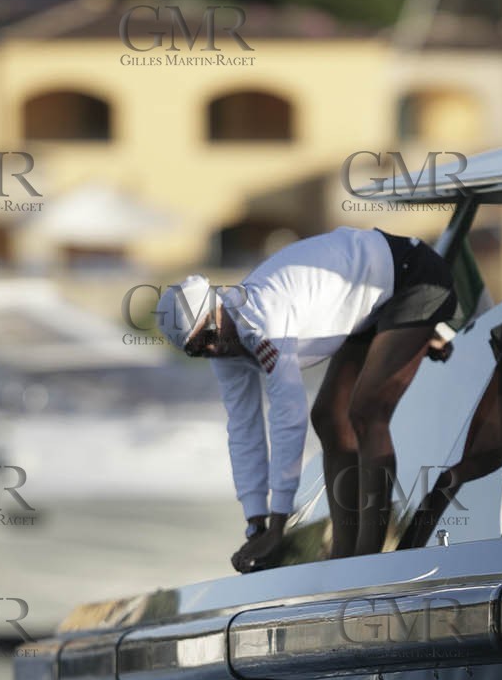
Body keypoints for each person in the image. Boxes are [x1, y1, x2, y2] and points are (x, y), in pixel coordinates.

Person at [156, 227, 457, 571]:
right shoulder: (222, 349)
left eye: (209, 334)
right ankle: (345, 556)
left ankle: (368, 558)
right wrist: (256, 525)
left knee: (366, 412)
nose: (212, 347)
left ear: (219, 306)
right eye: (197, 349)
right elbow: (243, 431)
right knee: (330, 417)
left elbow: (288, 417)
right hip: (365, 306)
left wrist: (280, 526)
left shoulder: (263, 318)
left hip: (412, 276)